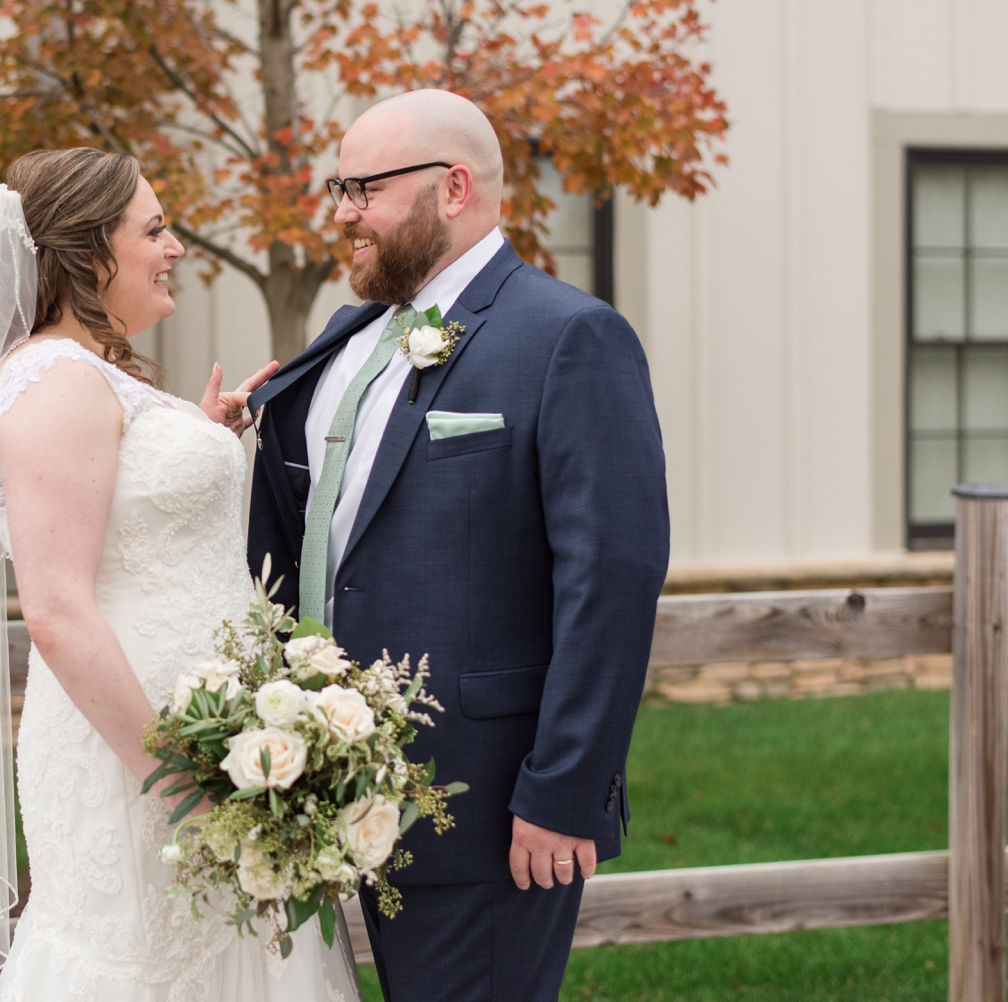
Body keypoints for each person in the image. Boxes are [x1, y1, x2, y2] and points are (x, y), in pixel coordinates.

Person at [0, 147, 360, 1001]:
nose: (175, 247)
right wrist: (182, 784)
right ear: (85, 253)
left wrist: (200, 437)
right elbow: (59, 610)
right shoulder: (53, 384)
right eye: (155, 229)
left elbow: (125, 513)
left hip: (201, 740)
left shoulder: (86, 376)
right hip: (138, 756)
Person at [246, 90, 669, 1001]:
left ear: (455, 187)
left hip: (487, 805)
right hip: (329, 789)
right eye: (338, 187)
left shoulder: (568, 338)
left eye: (363, 189)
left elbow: (612, 581)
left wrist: (563, 793)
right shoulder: (345, 340)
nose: (342, 213)